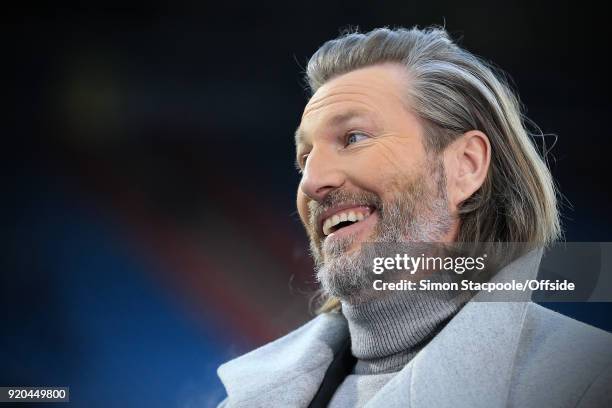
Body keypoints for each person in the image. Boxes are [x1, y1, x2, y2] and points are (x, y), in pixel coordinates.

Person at [216, 27, 612, 407]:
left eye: (353, 138)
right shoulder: (246, 399)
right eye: (305, 159)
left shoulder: (589, 380)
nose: (312, 182)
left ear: (465, 166)